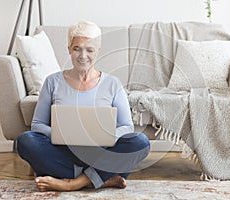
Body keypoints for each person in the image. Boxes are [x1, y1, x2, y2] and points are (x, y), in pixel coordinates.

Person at [17, 20, 150, 192]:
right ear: (69, 49)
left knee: (141, 142)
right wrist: (62, 134)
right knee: (26, 141)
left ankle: (73, 183)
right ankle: (101, 178)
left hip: (101, 153)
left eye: (90, 50)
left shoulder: (112, 84)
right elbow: (37, 125)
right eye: (77, 48)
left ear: (98, 51)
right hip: (64, 151)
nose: (83, 55)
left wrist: (103, 135)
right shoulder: (52, 82)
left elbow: (127, 126)